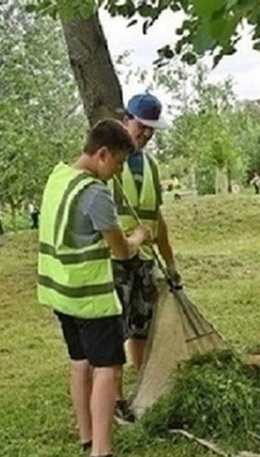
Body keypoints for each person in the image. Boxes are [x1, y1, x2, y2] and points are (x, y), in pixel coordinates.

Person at [37, 119, 152, 457]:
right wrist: (139, 236)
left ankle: (87, 436)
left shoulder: (58, 178)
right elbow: (120, 251)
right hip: (89, 297)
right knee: (108, 370)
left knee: (79, 363)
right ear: (102, 154)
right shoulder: (95, 194)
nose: (117, 171)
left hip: (60, 292)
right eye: (117, 163)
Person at [111, 92, 180, 423]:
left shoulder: (151, 167)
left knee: (142, 329)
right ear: (126, 120)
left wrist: (171, 263)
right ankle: (115, 398)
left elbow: (158, 221)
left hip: (144, 261)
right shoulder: (108, 161)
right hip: (113, 261)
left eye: (152, 129)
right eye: (142, 126)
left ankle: (142, 389)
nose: (147, 134)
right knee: (115, 332)